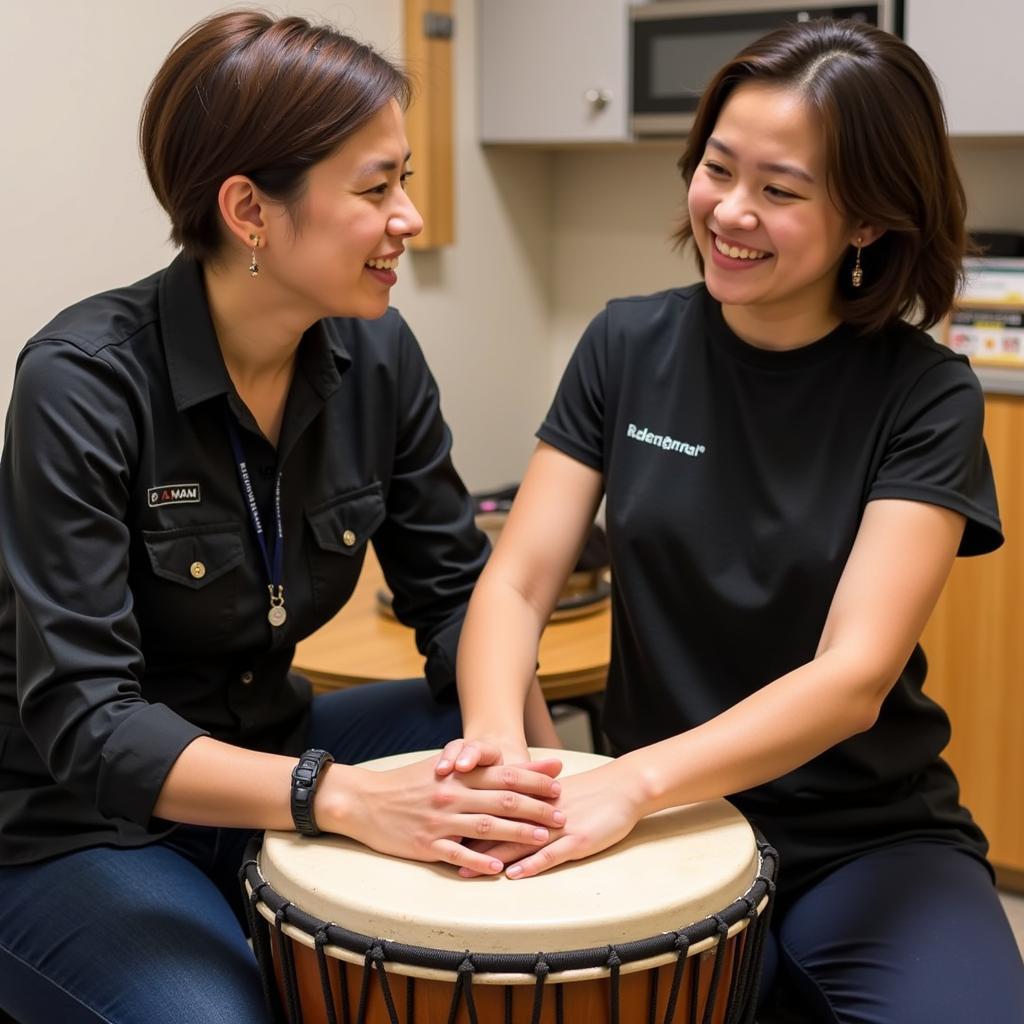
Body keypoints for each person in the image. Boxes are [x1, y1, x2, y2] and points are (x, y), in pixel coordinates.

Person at [438, 18, 1024, 1023]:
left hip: (861, 831)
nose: (730, 211)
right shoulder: (625, 344)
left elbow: (851, 677)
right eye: (717, 168)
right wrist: (502, 745)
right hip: (658, 824)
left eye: (780, 190)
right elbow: (519, 579)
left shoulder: (925, 394)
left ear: (870, 220)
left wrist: (632, 781)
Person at [0, 11, 564, 1024]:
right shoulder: (80, 383)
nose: (412, 219)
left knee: (477, 734)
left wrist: (506, 761)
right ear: (250, 210)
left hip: (273, 747)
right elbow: (90, 723)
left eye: (405, 179)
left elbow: (455, 602)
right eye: (377, 186)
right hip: (81, 821)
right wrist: (338, 798)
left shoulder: (377, 359)